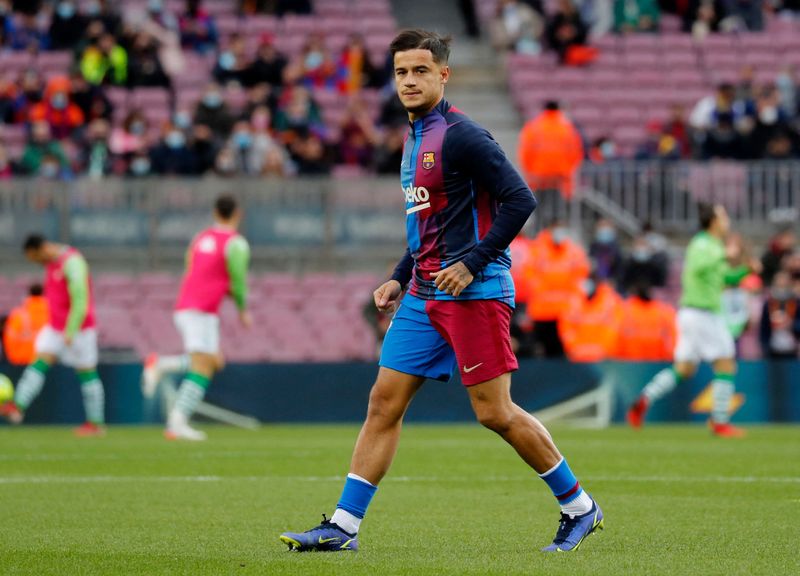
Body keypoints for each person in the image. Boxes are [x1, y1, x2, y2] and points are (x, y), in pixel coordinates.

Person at [279, 29, 603, 554]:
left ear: (443, 75)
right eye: (402, 71)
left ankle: (580, 507)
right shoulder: (412, 137)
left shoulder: (463, 135)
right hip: (424, 294)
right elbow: (430, 223)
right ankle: (343, 527)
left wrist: (472, 263)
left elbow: (521, 200)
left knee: (495, 413)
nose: (409, 80)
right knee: (383, 403)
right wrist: (400, 275)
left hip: (475, 292)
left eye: (421, 71)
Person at [626, 203, 761, 437]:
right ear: (713, 221)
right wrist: (725, 254)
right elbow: (698, 266)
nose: (727, 220)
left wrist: (745, 271)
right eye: (723, 215)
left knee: (684, 368)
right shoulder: (703, 243)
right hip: (703, 313)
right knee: (726, 363)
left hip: (691, 314)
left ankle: (644, 400)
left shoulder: (712, 246)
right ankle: (719, 422)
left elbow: (724, 277)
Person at [142, 194, 251, 441]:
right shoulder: (236, 244)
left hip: (190, 304)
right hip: (201, 310)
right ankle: (176, 420)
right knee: (202, 364)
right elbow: (238, 280)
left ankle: (167, 378)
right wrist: (243, 309)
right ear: (238, 214)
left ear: (215, 213)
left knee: (213, 362)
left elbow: (192, 268)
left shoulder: (200, 238)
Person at [0, 235, 106, 436]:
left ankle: (96, 423)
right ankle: (18, 405)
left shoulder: (72, 262)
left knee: (87, 374)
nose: (36, 263)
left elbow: (81, 298)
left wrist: (71, 329)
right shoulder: (52, 263)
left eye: (34, 258)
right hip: (55, 327)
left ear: (41, 249)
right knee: (39, 361)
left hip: (79, 329)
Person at [523, 219, 590, 357]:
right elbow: (529, 275)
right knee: (543, 351)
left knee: (563, 352)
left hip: (565, 313)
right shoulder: (537, 250)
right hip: (542, 312)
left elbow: (580, 277)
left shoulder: (574, 252)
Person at [518, 101, 583, 200]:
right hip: (560, 178)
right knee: (558, 211)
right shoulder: (567, 128)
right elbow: (575, 153)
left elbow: (525, 152)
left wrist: (529, 172)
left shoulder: (532, 127)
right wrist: (568, 172)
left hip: (538, 177)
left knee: (540, 207)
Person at [2, 283, 49, 366]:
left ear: (29, 295)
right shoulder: (52, 315)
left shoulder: (18, 315)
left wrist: (13, 357)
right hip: (45, 363)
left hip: (20, 361)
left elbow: (9, 337)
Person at [759, 270, 800, 359]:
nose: (781, 288)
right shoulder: (768, 304)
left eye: (784, 285)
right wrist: (765, 347)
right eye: (779, 284)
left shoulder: (796, 303)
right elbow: (764, 328)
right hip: (773, 350)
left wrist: (792, 324)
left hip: (793, 349)